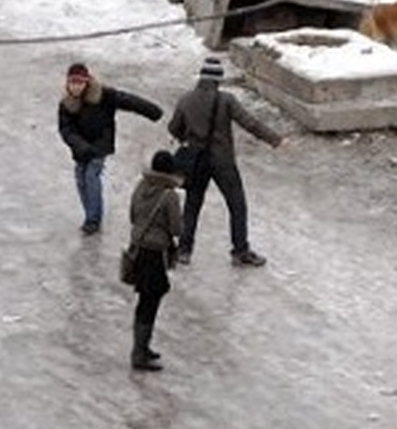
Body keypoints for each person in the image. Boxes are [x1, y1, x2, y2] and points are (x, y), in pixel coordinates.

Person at [167, 56, 284, 267]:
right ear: (217, 80)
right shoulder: (226, 100)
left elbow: (173, 128)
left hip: (196, 160)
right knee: (236, 205)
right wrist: (274, 139)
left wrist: (189, 137)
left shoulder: (186, 99)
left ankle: (184, 250)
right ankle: (240, 251)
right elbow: (250, 123)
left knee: (193, 205)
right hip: (223, 162)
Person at [57, 61, 162, 234]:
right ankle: (90, 214)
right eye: (73, 83)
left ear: (87, 82)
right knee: (81, 179)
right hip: (81, 149)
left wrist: (152, 111)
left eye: (80, 83)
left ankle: (93, 220)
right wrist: (80, 146)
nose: (76, 87)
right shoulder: (67, 104)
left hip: (100, 145)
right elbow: (65, 129)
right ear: (68, 83)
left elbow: (129, 101)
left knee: (91, 176)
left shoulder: (102, 95)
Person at [127, 149, 183, 371]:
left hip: (138, 250)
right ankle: (139, 353)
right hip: (156, 254)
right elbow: (176, 228)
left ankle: (141, 347)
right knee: (151, 301)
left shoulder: (140, 187)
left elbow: (132, 216)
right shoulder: (169, 196)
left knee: (144, 299)